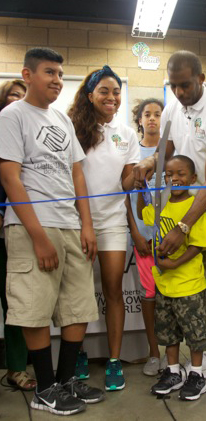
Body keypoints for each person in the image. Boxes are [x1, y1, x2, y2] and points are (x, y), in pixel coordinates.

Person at [133, 50, 206, 407]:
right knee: (195, 291)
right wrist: (152, 160)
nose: (180, 92)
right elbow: (168, 149)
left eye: (185, 85)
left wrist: (183, 226)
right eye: (174, 86)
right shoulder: (172, 109)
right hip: (182, 210)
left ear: (201, 78)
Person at [0, 47, 104, 415]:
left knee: (77, 307)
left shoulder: (60, 119)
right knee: (36, 308)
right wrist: (38, 237)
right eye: (49, 72)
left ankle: (65, 381)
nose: (57, 81)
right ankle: (45, 388)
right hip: (33, 227)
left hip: (70, 225)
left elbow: (77, 173)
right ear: (27, 75)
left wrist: (86, 225)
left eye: (60, 74)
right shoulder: (12, 116)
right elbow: (10, 178)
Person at [68, 65, 140, 391]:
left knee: (112, 289)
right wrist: (84, 222)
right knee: (78, 291)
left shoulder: (127, 134)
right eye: (104, 92)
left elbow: (125, 184)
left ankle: (113, 361)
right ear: (90, 95)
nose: (112, 97)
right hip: (77, 219)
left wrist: (137, 176)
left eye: (116, 92)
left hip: (112, 220)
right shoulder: (73, 128)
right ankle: (77, 354)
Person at [137, 154, 206, 400]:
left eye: (180, 174)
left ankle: (197, 375)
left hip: (189, 286)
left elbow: (197, 246)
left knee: (195, 334)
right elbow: (143, 213)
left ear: (193, 178)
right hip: (165, 287)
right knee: (169, 334)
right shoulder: (163, 205)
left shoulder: (195, 208)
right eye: (169, 175)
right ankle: (172, 372)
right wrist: (141, 189)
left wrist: (174, 263)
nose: (174, 179)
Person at [0, 79, 37, 392]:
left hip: (14, 232)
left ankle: (15, 368)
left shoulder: (30, 140)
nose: (18, 101)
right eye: (13, 95)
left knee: (14, 301)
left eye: (23, 97)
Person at [128, 98, 166, 376]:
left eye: (157, 114)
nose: (152, 119)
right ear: (139, 120)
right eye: (147, 114)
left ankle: (176, 355)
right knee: (149, 295)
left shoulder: (171, 150)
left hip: (171, 236)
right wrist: (136, 233)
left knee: (177, 296)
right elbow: (126, 198)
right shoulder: (133, 151)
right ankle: (155, 354)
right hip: (144, 237)